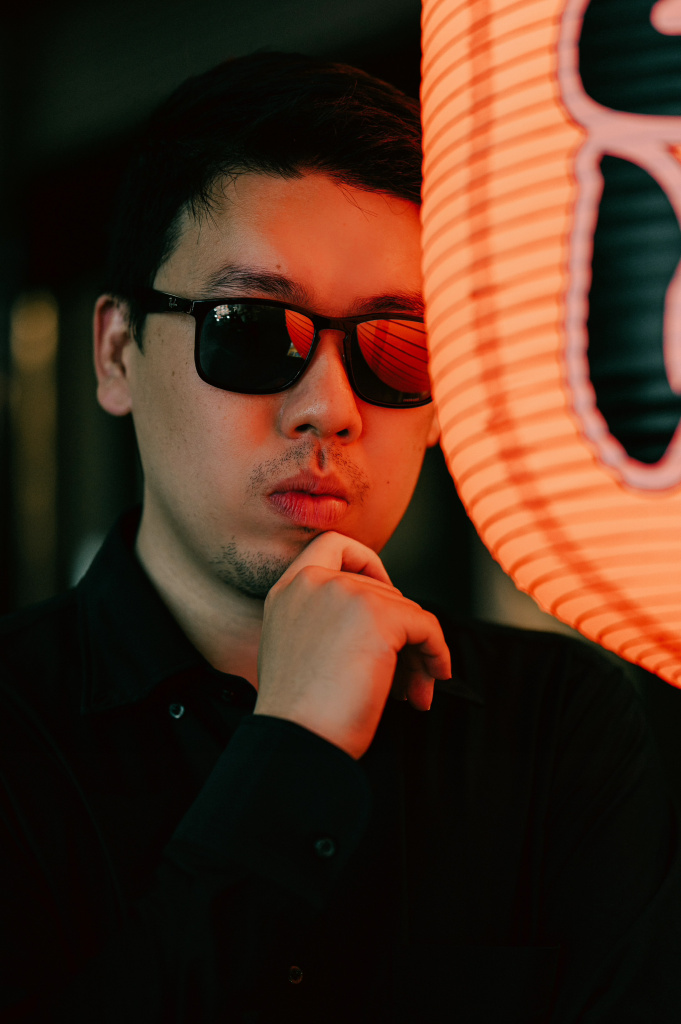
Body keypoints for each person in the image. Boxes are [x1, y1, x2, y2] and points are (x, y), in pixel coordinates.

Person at [1, 51, 680, 1024]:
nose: (330, 407)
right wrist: (294, 753)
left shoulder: (558, 727)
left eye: (399, 347)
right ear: (116, 352)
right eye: (251, 327)